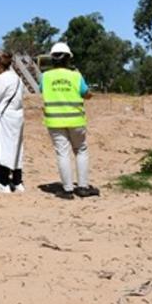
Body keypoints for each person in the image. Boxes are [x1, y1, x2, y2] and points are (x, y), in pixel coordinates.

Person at [42, 43, 99, 200]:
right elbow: (85, 93)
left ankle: (67, 189)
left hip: (54, 121)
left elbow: (43, 90)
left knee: (62, 153)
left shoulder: (45, 76)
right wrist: (88, 95)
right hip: (76, 120)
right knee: (80, 150)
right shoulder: (76, 76)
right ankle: (82, 187)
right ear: (68, 59)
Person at [0, 52, 25, 193]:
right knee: (17, 149)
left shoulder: (2, 79)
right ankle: (17, 181)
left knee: (3, 148)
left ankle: (3, 182)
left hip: (5, 117)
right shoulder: (17, 79)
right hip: (17, 116)